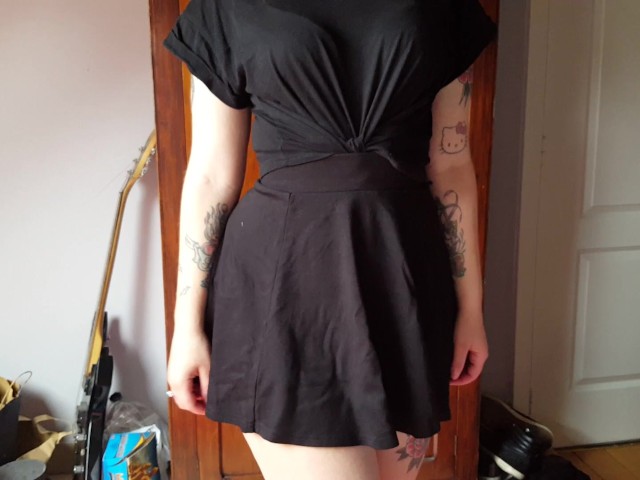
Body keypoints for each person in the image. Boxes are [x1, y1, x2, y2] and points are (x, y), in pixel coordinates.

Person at [163, 0, 497, 478]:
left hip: (404, 281)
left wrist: (471, 309)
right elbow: (211, 176)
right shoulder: (225, 6)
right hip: (285, 288)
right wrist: (186, 326)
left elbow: (452, 164)